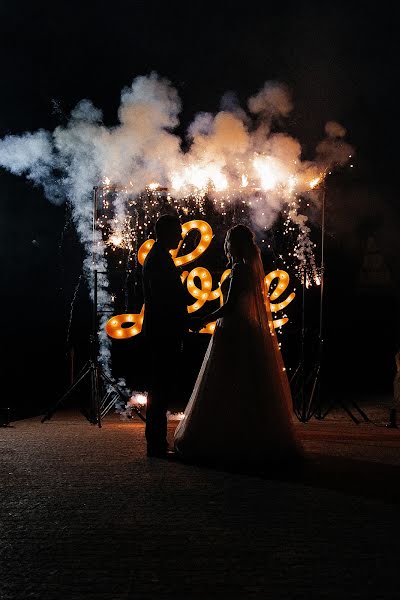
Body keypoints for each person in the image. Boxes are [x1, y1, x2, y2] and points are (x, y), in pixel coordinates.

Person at [174, 224, 302, 468]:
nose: (226, 245)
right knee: (244, 382)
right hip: (241, 328)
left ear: (234, 244)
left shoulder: (240, 270)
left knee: (226, 380)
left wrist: (203, 319)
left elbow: (230, 305)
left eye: (229, 241)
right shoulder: (246, 270)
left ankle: (225, 436)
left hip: (232, 328)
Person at [142, 213, 190, 458]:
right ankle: (156, 445)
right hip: (163, 331)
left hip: (161, 329)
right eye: (177, 231)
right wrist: (184, 320)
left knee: (160, 388)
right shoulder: (159, 260)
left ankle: (156, 443)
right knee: (160, 388)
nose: (181, 236)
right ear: (167, 233)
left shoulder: (159, 257)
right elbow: (165, 301)